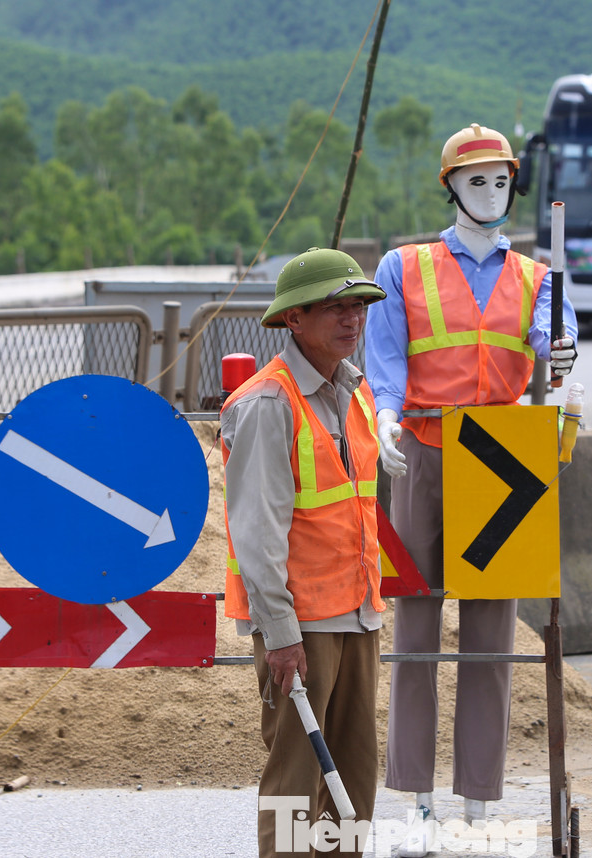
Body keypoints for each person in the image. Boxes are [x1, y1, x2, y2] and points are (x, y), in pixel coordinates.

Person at [364, 123, 578, 856]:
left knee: (491, 635)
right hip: (423, 448)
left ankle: (479, 809)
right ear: (450, 186)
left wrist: (561, 348)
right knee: (415, 628)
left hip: (501, 461)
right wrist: (385, 416)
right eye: (476, 180)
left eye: (501, 181)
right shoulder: (404, 266)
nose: (491, 192)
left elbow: (555, 336)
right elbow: (386, 354)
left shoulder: (538, 277)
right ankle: (419, 805)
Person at [220, 247, 388, 858]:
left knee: (353, 781)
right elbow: (257, 531)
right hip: (303, 625)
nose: (352, 319)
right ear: (294, 319)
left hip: (357, 614)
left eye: (358, 307)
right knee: (296, 783)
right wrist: (281, 632)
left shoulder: (354, 391)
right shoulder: (268, 402)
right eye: (335, 308)